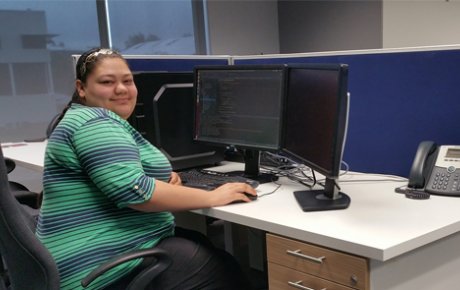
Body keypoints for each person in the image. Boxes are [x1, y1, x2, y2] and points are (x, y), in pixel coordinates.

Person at [36, 48, 257, 290]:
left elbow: (118, 174)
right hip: (95, 271)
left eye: (127, 81)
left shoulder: (82, 118)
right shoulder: (95, 123)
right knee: (225, 270)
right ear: (81, 88)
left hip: (87, 257)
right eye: (107, 82)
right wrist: (213, 196)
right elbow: (135, 192)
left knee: (200, 242)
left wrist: (158, 178)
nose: (121, 89)